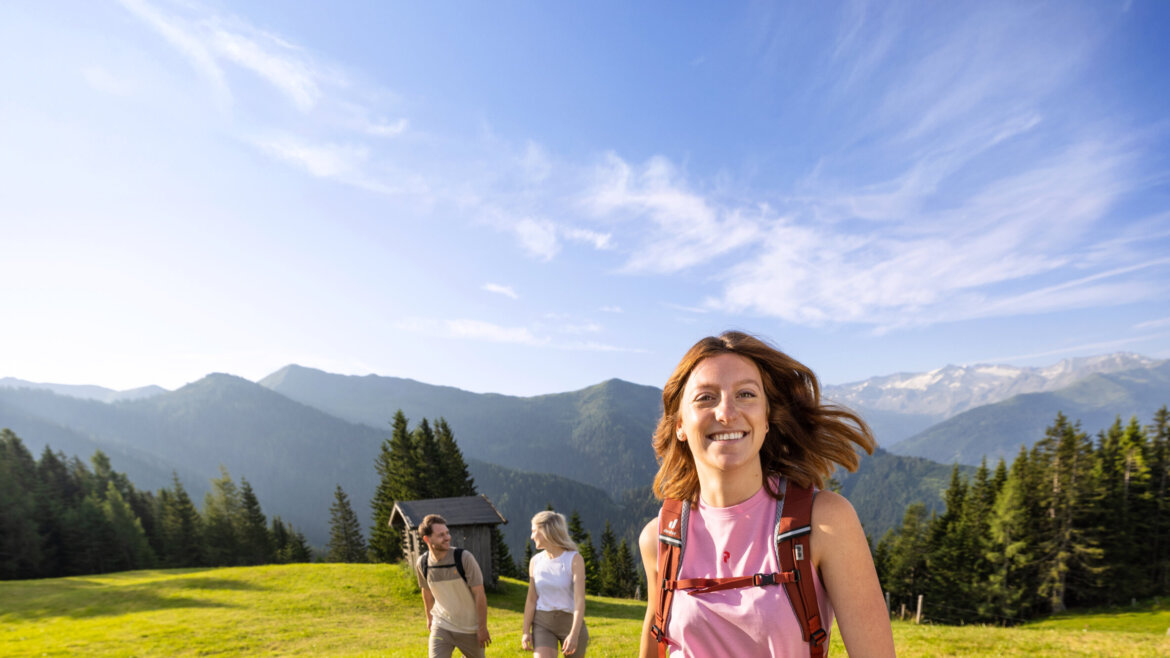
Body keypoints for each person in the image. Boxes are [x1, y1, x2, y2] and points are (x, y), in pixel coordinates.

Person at [638, 331, 895, 658]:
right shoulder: (660, 537)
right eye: (705, 398)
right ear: (680, 425)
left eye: (746, 394)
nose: (727, 413)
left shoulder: (824, 522)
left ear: (767, 418)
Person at [415, 514, 492, 658]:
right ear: (427, 539)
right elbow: (426, 591)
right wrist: (429, 618)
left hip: (470, 629)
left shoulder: (464, 558)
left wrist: (482, 628)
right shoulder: (423, 563)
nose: (447, 538)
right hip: (442, 625)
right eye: (440, 535)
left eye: (447, 533)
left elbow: (479, 594)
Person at [522, 511, 589, 656]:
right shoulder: (535, 562)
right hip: (543, 623)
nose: (532, 536)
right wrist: (526, 631)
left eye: (534, 531)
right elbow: (531, 600)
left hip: (571, 624)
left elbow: (579, 601)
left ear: (546, 531)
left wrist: (574, 634)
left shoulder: (574, 559)